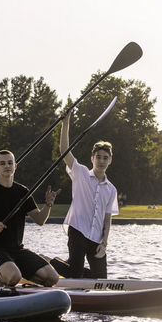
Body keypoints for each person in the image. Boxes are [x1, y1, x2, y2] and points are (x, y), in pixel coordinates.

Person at [0, 149, 60, 287]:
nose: (6, 166)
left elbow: (40, 220)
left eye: (10, 162)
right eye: (2, 163)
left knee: (53, 278)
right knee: (13, 278)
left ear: (15, 166)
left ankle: (19, 277)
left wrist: (48, 205)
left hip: (17, 250)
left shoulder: (23, 191)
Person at [50, 112, 119, 278]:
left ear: (110, 160)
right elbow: (64, 151)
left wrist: (104, 243)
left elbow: (107, 218)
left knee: (101, 280)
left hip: (96, 238)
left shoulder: (111, 189)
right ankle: (49, 263)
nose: (101, 161)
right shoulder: (80, 173)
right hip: (77, 231)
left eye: (105, 158)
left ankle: (67, 266)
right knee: (75, 273)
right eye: (98, 157)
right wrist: (66, 123)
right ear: (92, 158)